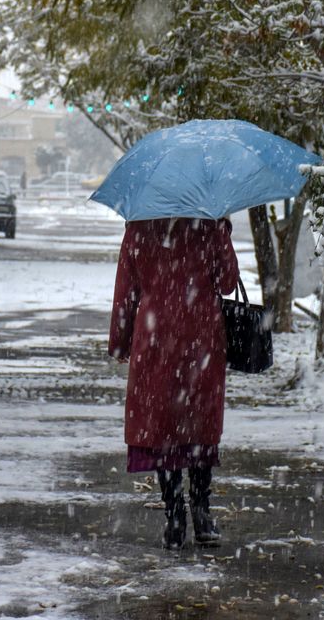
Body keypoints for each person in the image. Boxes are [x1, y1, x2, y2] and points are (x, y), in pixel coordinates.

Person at [108, 216, 240, 549]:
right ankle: (202, 511)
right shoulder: (209, 222)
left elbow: (126, 288)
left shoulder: (141, 223)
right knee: (199, 426)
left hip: (156, 337)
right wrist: (222, 232)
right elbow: (227, 282)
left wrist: (121, 340)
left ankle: (175, 514)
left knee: (163, 427)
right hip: (201, 335)